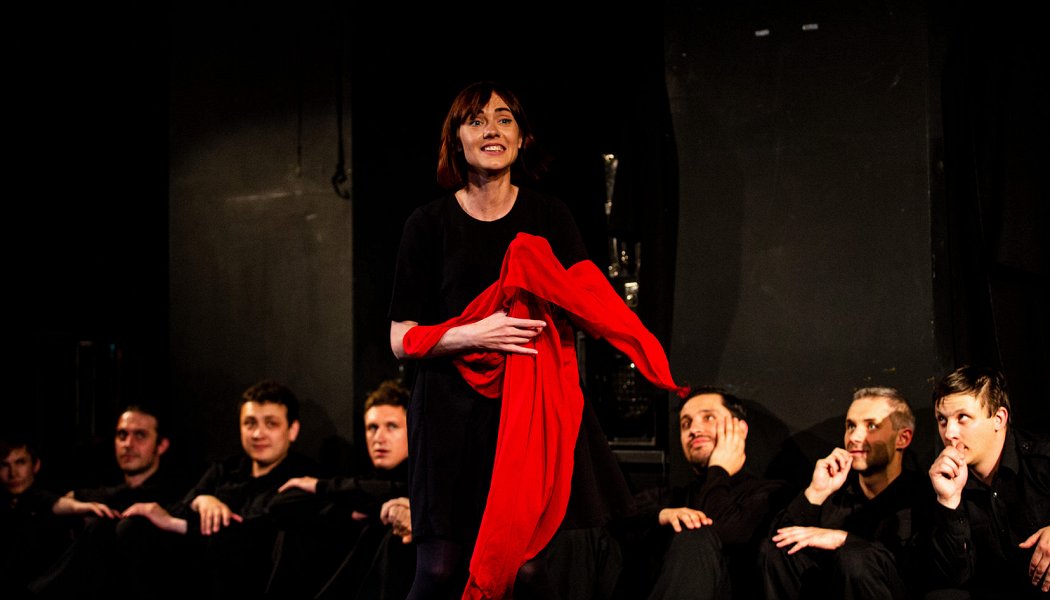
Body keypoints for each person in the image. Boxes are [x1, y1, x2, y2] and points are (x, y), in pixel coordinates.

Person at [389, 80, 684, 600]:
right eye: (476, 120)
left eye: (504, 119)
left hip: (531, 410)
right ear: (456, 139)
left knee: (528, 569)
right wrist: (474, 333)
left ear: (522, 137)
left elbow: (590, 297)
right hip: (448, 414)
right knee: (439, 568)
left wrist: (643, 351)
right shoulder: (427, 224)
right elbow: (400, 338)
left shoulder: (550, 216)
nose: (492, 130)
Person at [121, 379, 321, 599]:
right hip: (192, 571)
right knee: (134, 526)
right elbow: (181, 507)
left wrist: (180, 524)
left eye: (271, 424)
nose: (257, 434)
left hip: (248, 583)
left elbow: (256, 537)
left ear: (292, 430)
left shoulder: (301, 478)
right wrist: (202, 500)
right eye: (250, 423)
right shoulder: (225, 469)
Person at [759, 387, 930, 599]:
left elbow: (921, 571)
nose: (855, 437)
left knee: (854, 558)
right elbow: (778, 543)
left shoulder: (923, 497)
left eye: (871, 426)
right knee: (777, 551)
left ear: (902, 438)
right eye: (851, 426)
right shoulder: (836, 494)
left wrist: (845, 540)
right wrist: (816, 493)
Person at [618, 387, 786, 600]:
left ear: (740, 429)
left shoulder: (770, 493)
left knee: (695, 535)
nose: (694, 430)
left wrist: (719, 469)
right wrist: (660, 516)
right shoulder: (672, 498)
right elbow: (616, 518)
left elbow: (720, 531)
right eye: (685, 424)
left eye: (708, 418)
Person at [275, 378, 415, 600]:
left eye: (392, 427)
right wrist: (345, 512)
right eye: (372, 428)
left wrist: (321, 486)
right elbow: (280, 504)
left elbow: (391, 490)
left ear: (413, 430)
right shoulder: (355, 484)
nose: (379, 438)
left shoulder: (419, 485)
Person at [28, 404, 184, 598]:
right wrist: (78, 507)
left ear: (161, 445)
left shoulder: (177, 494)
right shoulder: (109, 493)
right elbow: (46, 500)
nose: (128, 444)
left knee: (102, 527)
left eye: (140, 435)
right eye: (122, 435)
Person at [927, 365, 1050, 598]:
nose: (949, 433)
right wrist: (949, 501)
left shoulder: (1042, 460)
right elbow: (953, 577)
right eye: (942, 420)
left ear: (999, 419)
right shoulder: (943, 481)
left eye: (962, 418)